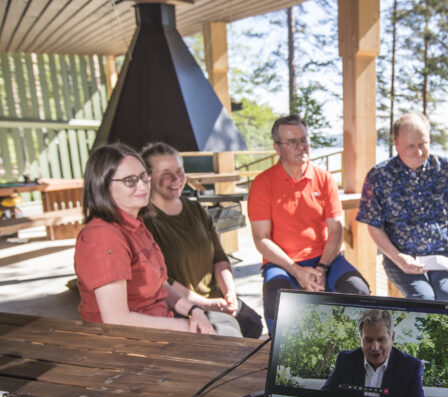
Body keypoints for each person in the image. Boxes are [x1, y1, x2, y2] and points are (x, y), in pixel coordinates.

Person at [74, 143, 241, 337]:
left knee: (230, 324)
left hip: (159, 323)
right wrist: (189, 327)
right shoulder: (102, 237)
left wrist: (193, 310)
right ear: (103, 185)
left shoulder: (135, 226)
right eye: (130, 180)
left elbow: (161, 286)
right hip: (125, 341)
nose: (143, 185)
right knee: (231, 340)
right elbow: (116, 319)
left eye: (144, 177)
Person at [248, 115, 369, 331]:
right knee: (276, 302)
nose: (301, 146)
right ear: (277, 147)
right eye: (292, 142)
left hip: (325, 259)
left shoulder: (324, 179)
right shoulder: (262, 183)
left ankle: (346, 352)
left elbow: (335, 229)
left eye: (304, 140)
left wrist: (322, 267)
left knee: (359, 292)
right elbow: (261, 239)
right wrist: (296, 270)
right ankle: (282, 359)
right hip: (282, 263)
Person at [140, 142, 263, 338]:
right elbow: (162, 280)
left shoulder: (196, 210)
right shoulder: (144, 221)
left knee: (252, 323)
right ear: (148, 178)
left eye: (179, 171)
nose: (176, 179)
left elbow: (219, 256)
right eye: (165, 173)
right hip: (181, 305)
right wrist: (205, 304)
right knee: (230, 337)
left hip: (216, 297)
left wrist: (229, 293)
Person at [356, 112, 448, 303]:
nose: (419, 152)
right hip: (402, 257)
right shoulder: (379, 176)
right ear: (396, 143)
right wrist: (398, 257)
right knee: (424, 300)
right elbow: (374, 226)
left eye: (423, 144)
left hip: (442, 256)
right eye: (411, 146)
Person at [322, 309, 425, 397]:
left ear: (392, 337)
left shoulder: (411, 367)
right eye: (369, 340)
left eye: (381, 340)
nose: (375, 347)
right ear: (360, 339)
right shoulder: (345, 361)